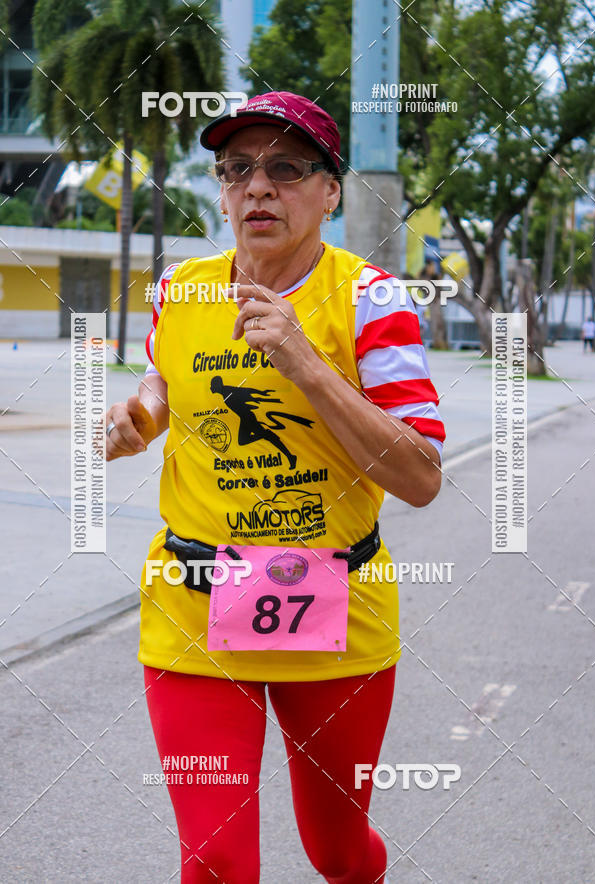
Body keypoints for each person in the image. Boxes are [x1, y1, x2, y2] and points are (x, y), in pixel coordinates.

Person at [105, 91, 445, 883]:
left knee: (340, 853)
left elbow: (422, 477)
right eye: (237, 170)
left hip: (335, 607)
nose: (257, 188)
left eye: (286, 168)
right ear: (222, 191)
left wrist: (304, 362)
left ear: (330, 190)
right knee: (217, 858)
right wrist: (142, 416)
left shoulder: (372, 299)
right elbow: (165, 375)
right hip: (193, 604)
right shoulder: (180, 288)